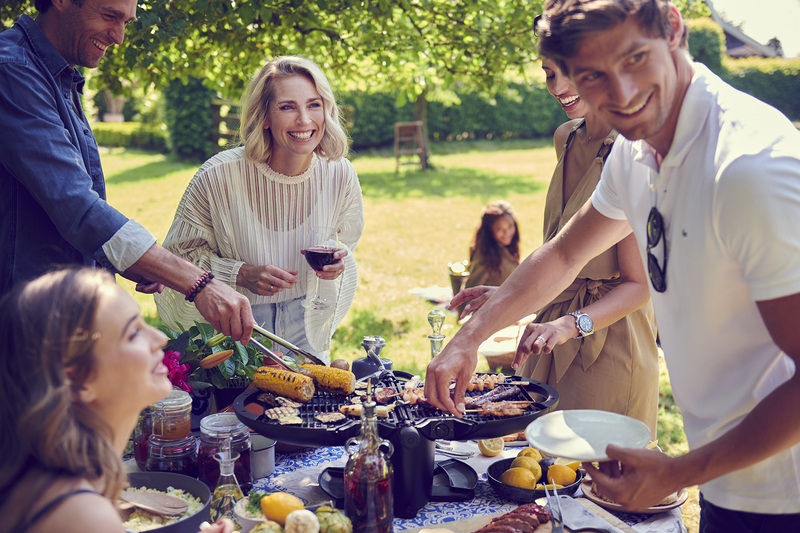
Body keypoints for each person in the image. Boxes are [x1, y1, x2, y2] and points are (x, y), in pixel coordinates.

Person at [426, 1, 800, 529]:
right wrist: (468, 339)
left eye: (633, 59)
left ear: (672, 26)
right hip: (731, 478)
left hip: (785, 493)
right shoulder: (634, 150)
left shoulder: (747, 168)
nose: (621, 94)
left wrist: (679, 471)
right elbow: (563, 253)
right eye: (592, 75)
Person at [0, 0, 254, 342]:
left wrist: (133, 260)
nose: (119, 37)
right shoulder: (12, 70)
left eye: (126, 22)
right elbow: (75, 206)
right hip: (24, 326)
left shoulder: (56, 74)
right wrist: (199, 283)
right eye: (109, 16)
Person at [453, 56, 659, 436]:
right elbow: (569, 251)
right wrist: (512, 295)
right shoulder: (565, 137)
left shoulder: (631, 151)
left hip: (611, 345)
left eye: (571, 70)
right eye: (549, 73)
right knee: (536, 470)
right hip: (549, 335)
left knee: (592, 483)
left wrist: (571, 323)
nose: (559, 87)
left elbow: (639, 286)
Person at [154, 56, 364, 362]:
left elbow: (346, 242)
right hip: (235, 326)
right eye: (287, 107)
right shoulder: (218, 176)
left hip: (307, 320)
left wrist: (337, 262)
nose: (305, 120)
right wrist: (240, 274)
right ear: (264, 116)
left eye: (314, 104)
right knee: (235, 410)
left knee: (305, 409)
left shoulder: (340, 173)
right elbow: (177, 258)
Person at [0, 268, 234, 533]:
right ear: (78, 380)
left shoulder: (58, 481)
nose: (160, 338)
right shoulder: (81, 515)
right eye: (133, 333)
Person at [463, 200, 521, 290]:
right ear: (489, 229)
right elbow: (470, 289)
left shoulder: (508, 248)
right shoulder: (486, 256)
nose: (507, 233)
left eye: (510, 226)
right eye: (500, 228)